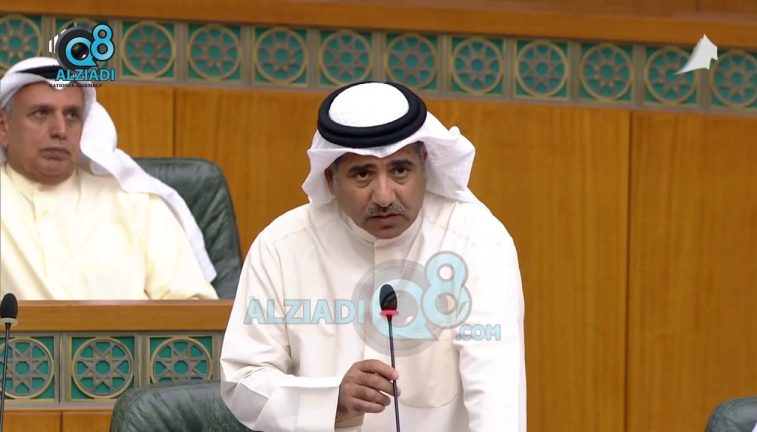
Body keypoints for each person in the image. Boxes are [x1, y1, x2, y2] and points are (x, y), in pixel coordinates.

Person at [220, 81, 525, 431]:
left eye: (400, 170)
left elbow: (496, 394)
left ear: (425, 165)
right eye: (363, 174)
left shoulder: (477, 240)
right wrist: (329, 399)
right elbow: (243, 380)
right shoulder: (282, 247)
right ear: (331, 179)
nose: (384, 196)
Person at [0, 56, 218, 300]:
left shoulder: (136, 203)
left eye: (72, 116)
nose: (60, 130)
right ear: (3, 126)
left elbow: (194, 307)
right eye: (41, 113)